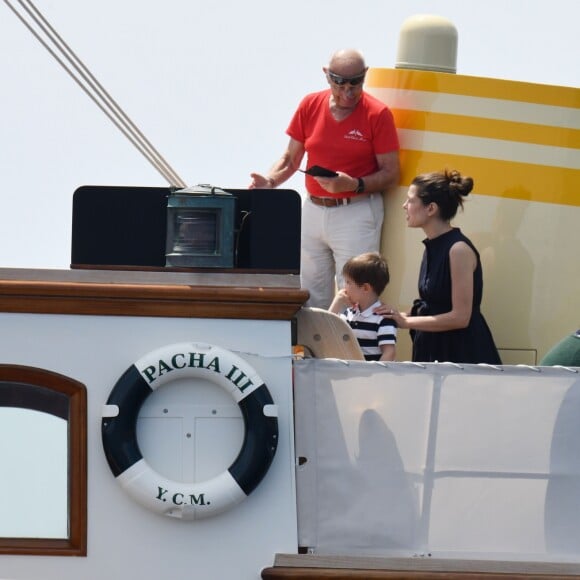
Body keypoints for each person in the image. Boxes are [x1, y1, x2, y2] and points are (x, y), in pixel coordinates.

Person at [249, 48, 400, 309]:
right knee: (309, 294)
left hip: (356, 211)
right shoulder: (310, 104)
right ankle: (311, 350)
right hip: (313, 209)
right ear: (326, 76)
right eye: (339, 82)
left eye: (356, 83)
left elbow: (391, 172)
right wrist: (270, 182)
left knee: (355, 294)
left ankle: (354, 350)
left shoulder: (377, 113)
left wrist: (354, 184)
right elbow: (290, 159)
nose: (348, 91)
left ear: (365, 76)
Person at [375, 170, 502, 364]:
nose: (404, 206)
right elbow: (434, 304)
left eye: (410, 201)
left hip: (460, 356)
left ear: (431, 208)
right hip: (434, 350)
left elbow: (461, 317)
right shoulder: (433, 246)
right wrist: (395, 315)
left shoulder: (458, 250)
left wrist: (406, 322)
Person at [329, 252, 396, 361]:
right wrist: (337, 302)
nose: (344, 287)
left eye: (348, 282)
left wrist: (375, 376)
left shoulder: (383, 318)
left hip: (369, 375)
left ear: (365, 288)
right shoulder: (349, 313)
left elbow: (389, 352)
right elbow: (327, 329)